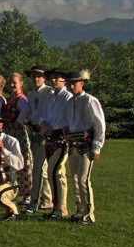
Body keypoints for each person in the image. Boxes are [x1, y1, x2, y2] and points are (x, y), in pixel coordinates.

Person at [65, 69, 105, 225]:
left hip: (86, 145)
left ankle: (89, 213)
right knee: (75, 179)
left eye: (74, 83)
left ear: (81, 83)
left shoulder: (90, 100)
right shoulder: (70, 102)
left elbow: (99, 124)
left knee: (83, 179)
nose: (71, 86)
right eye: (69, 84)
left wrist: (97, 146)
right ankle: (80, 210)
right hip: (73, 144)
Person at [39, 69, 73, 220]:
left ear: (64, 80)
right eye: (52, 78)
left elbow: (66, 119)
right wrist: (44, 124)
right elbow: (43, 116)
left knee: (56, 172)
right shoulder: (50, 98)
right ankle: (56, 207)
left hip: (61, 138)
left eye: (57, 78)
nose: (53, 81)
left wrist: (51, 126)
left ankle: (61, 208)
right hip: (49, 138)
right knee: (52, 172)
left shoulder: (67, 97)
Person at [25, 65, 54, 214]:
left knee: (38, 168)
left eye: (39, 76)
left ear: (44, 78)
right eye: (33, 76)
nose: (36, 79)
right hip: (33, 132)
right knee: (41, 168)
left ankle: (34, 202)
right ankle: (47, 200)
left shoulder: (49, 92)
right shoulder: (30, 94)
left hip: (45, 133)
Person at [1, 72, 33, 203]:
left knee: (23, 162)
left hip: (19, 135)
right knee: (12, 164)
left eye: (14, 82)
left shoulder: (21, 99)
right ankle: (16, 191)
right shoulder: (13, 99)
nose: (12, 85)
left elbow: (26, 110)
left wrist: (19, 121)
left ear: (21, 83)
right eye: (10, 83)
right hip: (11, 134)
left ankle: (28, 193)